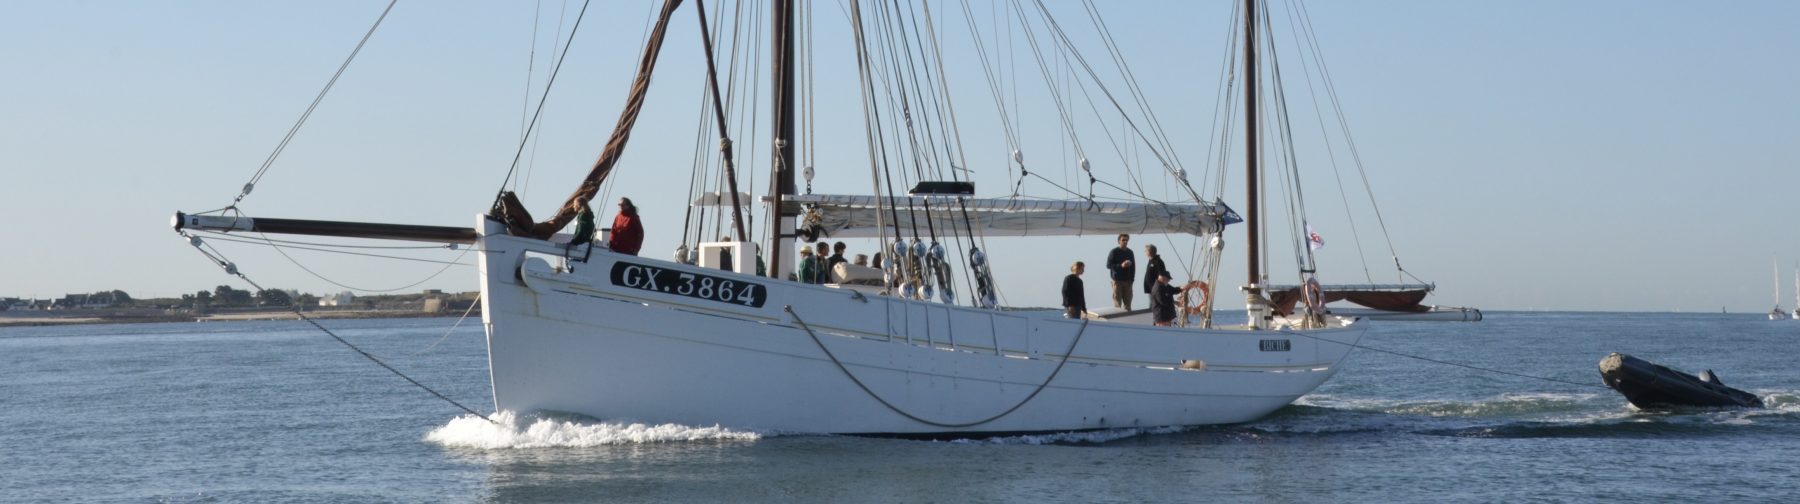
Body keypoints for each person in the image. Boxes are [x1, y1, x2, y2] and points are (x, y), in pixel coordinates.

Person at [1106, 234, 1135, 310]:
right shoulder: (1114, 252)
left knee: (1128, 304)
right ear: (1119, 241)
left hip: (1128, 281)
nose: (1125, 242)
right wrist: (1120, 266)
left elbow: (1133, 267)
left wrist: (1132, 279)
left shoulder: (1130, 252)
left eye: (1126, 240)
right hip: (1117, 281)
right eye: (1123, 240)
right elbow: (1108, 265)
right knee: (1117, 304)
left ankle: (1128, 320)